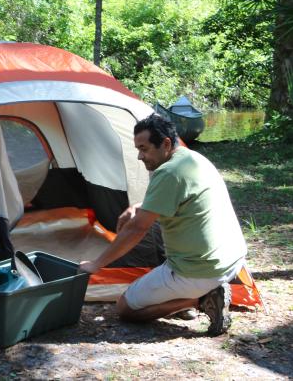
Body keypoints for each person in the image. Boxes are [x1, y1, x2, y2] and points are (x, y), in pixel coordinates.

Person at [79, 113, 247, 336]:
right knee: (157, 227)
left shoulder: (168, 172)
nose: (139, 156)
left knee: (125, 309)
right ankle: (200, 292)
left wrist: (96, 264)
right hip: (233, 261)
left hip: (200, 270)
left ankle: (202, 299)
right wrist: (139, 206)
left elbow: (137, 229)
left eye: (144, 148)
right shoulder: (193, 160)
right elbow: (179, 196)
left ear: (166, 144)